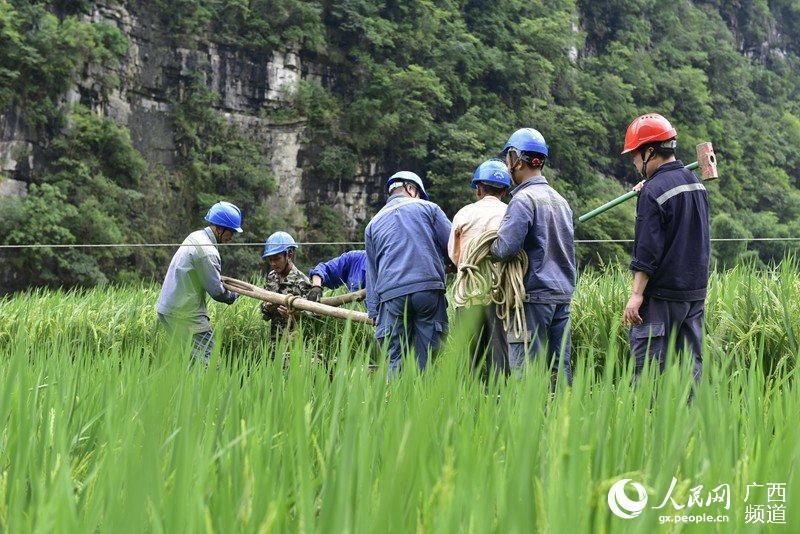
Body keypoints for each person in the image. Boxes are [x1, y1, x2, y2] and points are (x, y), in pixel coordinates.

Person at [620, 113, 710, 382]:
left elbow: (647, 251)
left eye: (635, 155)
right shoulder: (695, 183)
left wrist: (636, 295)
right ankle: (691, 423)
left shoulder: (652, 191)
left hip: (662, 297)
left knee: (648, 377)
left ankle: (647, 424)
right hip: (694, 293)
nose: (634, 162)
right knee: (689, 374)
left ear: (649, 152)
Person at [490, 128, 576, 386]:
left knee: (526, 375)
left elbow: (505, 249)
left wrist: (489, 247)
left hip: (532, 297)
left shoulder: (523, 200)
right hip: (561, 296)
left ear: (516, 159)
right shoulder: (561, 201)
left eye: (508, 160)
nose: (507, 166)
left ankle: (529, 424)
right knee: (559, 372)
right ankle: (563, 421)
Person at [364, 171, 452, 376]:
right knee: (428, 359)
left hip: (391, 295)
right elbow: (453, 247)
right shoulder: (430, 208)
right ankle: (424, 402)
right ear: (411, 189)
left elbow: (372, 271)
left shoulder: (373, 224)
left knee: (395, 361)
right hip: (427, 290)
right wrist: (447, 263)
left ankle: (395, 402)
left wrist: (374, 311)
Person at [156, 201, 242, 365]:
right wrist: (233, 295)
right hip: (185, 312)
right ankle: (211, 389)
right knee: (211, 363)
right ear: (219, 228)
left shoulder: (196, 236)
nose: (231, 237)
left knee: (190, 360)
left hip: (167, 309)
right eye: (230, 232)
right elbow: (217, 292)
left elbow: (204, 274)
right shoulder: (208, 253)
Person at [448, 159, 511, 377]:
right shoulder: (510, 213)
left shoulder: (464, 214)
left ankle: (465, 406)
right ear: (504, 190)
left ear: (478, 189)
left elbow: (455, 257)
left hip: (467, 296)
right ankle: (500, 406)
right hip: (500, 296)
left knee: (467, 363)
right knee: (500, 363)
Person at [260, 231, 312, 335]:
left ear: (289, 255)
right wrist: (267, 307)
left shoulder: (302, 281)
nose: (273, 263)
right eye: (270, 260)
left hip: (295, 343)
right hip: (273, 343)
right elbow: (264, 312)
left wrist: (294, 316)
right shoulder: (271, 277)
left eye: (277, 259)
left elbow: (312, 318)